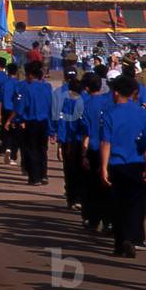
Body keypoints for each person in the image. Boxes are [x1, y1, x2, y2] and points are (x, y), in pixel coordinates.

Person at [100, 74, 146, 258]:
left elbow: (106, 143)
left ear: (116, 92)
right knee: (136, 204)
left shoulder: (110, 113)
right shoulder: (142, 113)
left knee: (117, 205)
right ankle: (132, 237)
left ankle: (120, 243)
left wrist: (103, 167)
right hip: (137, 164)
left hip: (116, 164)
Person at [80, 73, 112, 232]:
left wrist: (83, 154)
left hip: (93, 149)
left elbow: (85, 132)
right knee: (107, 188)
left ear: (86, 88)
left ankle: (93, 220)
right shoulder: (109, 102)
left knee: (92, 188)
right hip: (109, 151)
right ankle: (108, 221)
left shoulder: (85, 103)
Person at [16, 61, 52, 186]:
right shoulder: (47, 88)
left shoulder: (27, 88)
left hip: (31, 122)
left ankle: (34, 177)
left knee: (32, 149)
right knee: (43, 149)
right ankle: (44, 175)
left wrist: (18, 119)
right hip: (44, 122)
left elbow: (21, 107)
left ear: (31, 75)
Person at [56, 77, 85, 209]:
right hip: (84, 141)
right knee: (82, 172)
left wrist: (60, 142)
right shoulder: (86, 101)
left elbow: (63, 123)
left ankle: (72, 198)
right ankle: (80, 198)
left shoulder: (66, 102)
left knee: (70, 171)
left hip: (70, 141)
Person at [1, 63, 22, 165]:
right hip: (14, 110)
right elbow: (19, 97)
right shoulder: (17, 84)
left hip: (5, 109)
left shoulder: (4, 83)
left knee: (6, 131)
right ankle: (12, 154)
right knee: (15, 134)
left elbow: (0, 99)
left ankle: (6, 148)